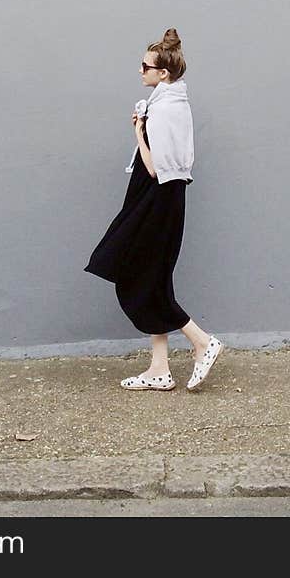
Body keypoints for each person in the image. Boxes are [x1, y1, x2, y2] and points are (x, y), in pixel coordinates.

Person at [84, 28, 223, 392]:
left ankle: (201, 341)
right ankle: (159, 369)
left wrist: (138, 131)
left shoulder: (164, 110)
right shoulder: (172, 103)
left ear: (163, 73)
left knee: (138, 276)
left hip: (156, 199)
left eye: (146, 67)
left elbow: (154, 168)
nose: (140, 71)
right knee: (151, 276)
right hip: (160, 198)